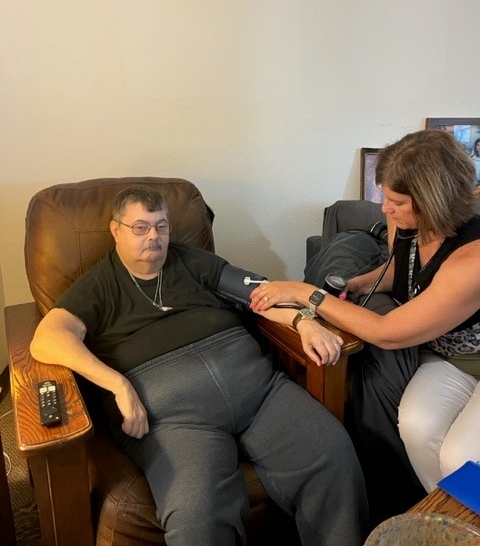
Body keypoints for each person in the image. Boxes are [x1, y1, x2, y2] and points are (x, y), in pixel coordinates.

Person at [29, 185, 368, 546]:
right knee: (197, 516)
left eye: (161, 226)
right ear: (116, 230)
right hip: (175, 421)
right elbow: (47, 337)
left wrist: (305, 322)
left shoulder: (192, 261)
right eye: (140, 227)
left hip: (259, 393)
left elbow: (263, 292)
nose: (154, 237)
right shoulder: (99, 285)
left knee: (333, 456)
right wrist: (117, 384)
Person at [250, 130, 480, 515]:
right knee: (416, 425)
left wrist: (306, 293)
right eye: (385, 197)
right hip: (448, 357)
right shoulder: (408, 225)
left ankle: (465, 519)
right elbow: (403, 273)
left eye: (396, 201)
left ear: (433, 202)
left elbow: (387, 334)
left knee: (460, 456)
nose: (384, 208)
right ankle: (441, 520)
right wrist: (359, 282)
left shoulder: (471, 260)